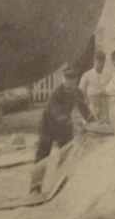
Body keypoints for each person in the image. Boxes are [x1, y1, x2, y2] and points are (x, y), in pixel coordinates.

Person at [31, 67, 95, 196]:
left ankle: (59, 184)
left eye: (73, 83)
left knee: (66, 155)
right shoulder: (56, 93)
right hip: (48, 126)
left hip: (64, 128)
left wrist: (93, 122)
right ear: (63, 80)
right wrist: (76, 125)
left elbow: (84, 109)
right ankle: (35, 188)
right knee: (43, 155)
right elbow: (57, 114)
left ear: (76, 81)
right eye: (68, 82)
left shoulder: (77, 92)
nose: (70, 86)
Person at [79, 51, 111, 124]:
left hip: (105, 106)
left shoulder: (109, 75)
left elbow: (113, 90)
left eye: (102, 62)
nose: (101, 64)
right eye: (98, 61)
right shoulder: (87, 75)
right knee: (91, 127)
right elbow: (80, 92)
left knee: (104, 128)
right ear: (94, 61)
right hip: (92, 105)